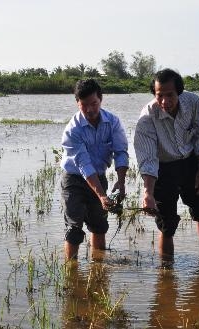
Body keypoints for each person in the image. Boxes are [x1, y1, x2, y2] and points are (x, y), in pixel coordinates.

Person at [133, 68, 199, 257]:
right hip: (163, 169)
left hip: (191, 163)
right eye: (160, 95)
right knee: (166, 224)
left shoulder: (193, 103)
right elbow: (148, 157)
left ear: (179, 92)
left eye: (170, 95)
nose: (165, 101)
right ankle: (167, 274)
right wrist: (148, 193)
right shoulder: (147, 117)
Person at [60, 78, 129, 260]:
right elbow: (83, 164)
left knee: (99, 224)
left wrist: (121, 182)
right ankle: (71, 272)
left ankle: (99, 268)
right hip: (74, 178)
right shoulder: (72, 129)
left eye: (94, 104)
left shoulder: (113, 122)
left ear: (101, 100)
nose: (89, 110)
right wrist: (102, 196)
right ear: (77, 103)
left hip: (99, 175)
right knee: (74, 228)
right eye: (84, 105)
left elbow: (121, 152)